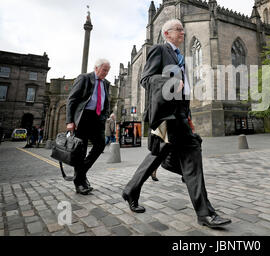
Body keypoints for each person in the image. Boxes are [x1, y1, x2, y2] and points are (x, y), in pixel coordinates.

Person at [122, 19, 231, 228]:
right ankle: (204, 213)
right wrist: (169, 83)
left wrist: (188, 116)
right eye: (178, 29)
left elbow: (184, 90)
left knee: (173, 153)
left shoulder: (180, 57)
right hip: (165, 116)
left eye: (182, 29)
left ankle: (131, 190)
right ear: (166, 34)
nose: (182, 32)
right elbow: (146, 79)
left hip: (179, 116)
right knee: (175, 155)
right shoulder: (160, 50)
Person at [66, 59, 111, 195]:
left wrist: (105, 116)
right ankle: (80, 183)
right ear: (96, 68)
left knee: (100, 145)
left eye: (108, 70)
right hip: (83, 118)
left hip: (97, 119)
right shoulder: (84, 78)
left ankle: (80, 175)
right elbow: (72, 99)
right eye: (104, 70)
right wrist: (69, 121)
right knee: (81, 151)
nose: (106, 73)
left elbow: (106, 101)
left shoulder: (106, 83)